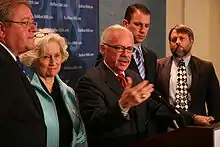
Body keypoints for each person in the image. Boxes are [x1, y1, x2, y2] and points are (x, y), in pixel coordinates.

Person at [76, 24, 214, 147]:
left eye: (129, 49)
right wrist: (122, 106)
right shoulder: (89, 81)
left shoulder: (133, 76)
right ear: (103, 49)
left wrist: (193, 118)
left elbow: (156, 106)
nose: (125, 55)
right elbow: (94, 123)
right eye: (119, 48)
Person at [19, 28, 87, 147]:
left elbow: (79, 134)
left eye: (57, 56)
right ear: (34, 60)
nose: (53, 62)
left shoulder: (68, 92)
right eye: (45, 57)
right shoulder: (25, 92)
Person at [0, 0, 46, 146]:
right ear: (2, 29)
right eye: (25, 23)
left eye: (33, 22)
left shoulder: (10, 62)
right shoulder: (2, 66)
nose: (33, 29)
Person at [156, 24, 220, 121]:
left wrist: (213, 125)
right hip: (167, 127)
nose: (177, 42)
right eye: (173, 40)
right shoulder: (158, 66)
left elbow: (215, 104)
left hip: (198, 127)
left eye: (182, 39)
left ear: (191, 40)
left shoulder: (206, 68)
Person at [96, 3, 157, 84]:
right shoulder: (110, 53)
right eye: (138, 24)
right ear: (125, 23)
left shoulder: (151, 57)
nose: (143, 30)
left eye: (146, 26)